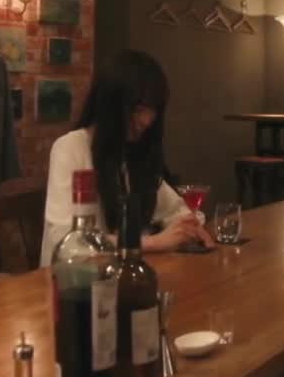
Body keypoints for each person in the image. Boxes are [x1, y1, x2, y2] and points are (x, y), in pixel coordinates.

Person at [40, 49, 213, 263]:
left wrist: (189, 229)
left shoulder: (132, 153)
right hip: (70, 278)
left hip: (118, 274)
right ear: (111, 105)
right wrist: (153, 242)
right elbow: (68, 242)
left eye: (153, 110)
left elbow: (176, 210)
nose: (147, 121)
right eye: (139, 109)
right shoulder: (70, 148)